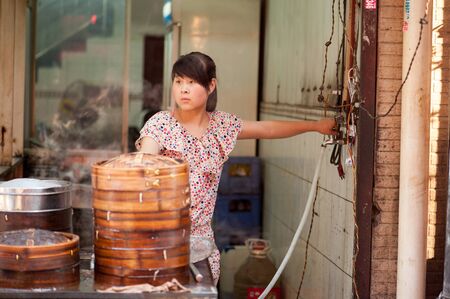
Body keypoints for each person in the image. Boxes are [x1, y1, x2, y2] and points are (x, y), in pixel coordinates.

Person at [135, 52, 336, 284]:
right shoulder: (162, 123)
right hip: (158, 241)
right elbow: (142, 164)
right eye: (178, 82)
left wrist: (315, 126)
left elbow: (267, 129)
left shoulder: (221, 125)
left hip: (201, 246)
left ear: (211, 86)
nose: (184, 89)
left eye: (192, 82)